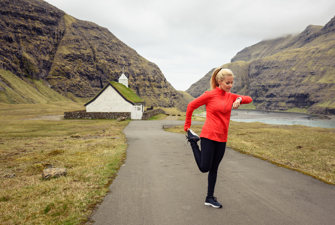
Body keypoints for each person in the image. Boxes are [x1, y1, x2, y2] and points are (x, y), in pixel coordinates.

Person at [184, 67, 252, 208]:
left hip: (222, 138)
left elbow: (249, 99)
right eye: (228, 83)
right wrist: (187, 127)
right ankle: (193, 142)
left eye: (232, 83)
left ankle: (209, 198)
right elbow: (191, 105)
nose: (230, 85)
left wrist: (239, 99)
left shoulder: (231, 96)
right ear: (219, 82)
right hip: (209, 135)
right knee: (204, 168)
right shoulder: (210, 95)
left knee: (214, 168)